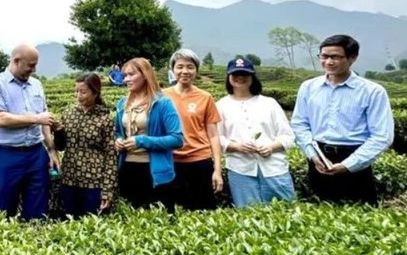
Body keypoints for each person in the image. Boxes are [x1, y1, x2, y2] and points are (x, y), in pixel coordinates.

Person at [291, 34, 394, 204]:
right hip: (319, 157)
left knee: (360, 218)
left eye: (336, 57)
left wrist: (349, 165)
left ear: (352, 58)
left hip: (355, 159)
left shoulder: (372, 91)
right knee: (319, 216)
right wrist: (312, 155)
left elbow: (382, 136)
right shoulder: (308, 87)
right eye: (324, 56)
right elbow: (299, 123)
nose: (329, 62)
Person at [0, 44, 60, 220]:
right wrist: (35, 118)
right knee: (3, 210)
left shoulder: (37, 85)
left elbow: (45, 121)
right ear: (16, 61)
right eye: (31, 65)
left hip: (36, 153)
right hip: (7, 154)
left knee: (38, 209)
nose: (33, 69)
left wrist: (51, 150)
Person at [216, 58, 296, 207]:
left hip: (274, 168)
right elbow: (217, 138)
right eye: (235, 74)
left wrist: (271, 147)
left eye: (245, 74)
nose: (240, 77)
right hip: (240, 170)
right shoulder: (220, 106)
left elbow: (288, 135)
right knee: (248, 215)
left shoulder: (269, 103)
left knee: (286, 212)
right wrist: (236, 146)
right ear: (229, 77)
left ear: (253, 77)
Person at [114, 58, 183, 212]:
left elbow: (177, 139)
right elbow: (118, 131)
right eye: (125, 76)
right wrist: (118, 140)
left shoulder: (163, 103)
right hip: (128, 168)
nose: (127, 79)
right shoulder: (122, 103)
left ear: (145, 74)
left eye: (131, 74)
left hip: (154, 172)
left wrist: (142, 141)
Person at [163, 49, 224, 210]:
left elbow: (213, 135)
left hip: (200, 162)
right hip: (171, 162)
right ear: (172, 69)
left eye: (190, 67)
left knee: (204, 211)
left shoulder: (205, 97)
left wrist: (217, 170)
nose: (185, 71)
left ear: (196, 70)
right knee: (170, 215)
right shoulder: (161, 97)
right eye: (180, 67)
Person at [52, 73, 116, 218]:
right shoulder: (69, 113)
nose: (78, 96)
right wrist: (58, 131)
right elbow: (61, 146)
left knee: (91, 226)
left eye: (83, 92)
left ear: (95, 92)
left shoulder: (104, 119)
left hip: (93, 182)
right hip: (69, 179)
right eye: (76, 91)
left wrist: (107, 189)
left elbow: (111, 156)